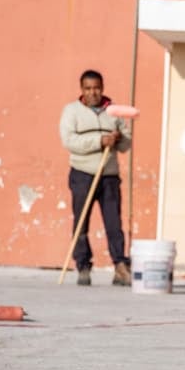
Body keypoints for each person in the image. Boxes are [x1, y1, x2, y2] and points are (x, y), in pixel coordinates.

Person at [59, 69, 132, 286]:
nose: (93, 93)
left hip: (109, 176)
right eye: (88, 88)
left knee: (113, 223)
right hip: (82, 173)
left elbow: (127, 143)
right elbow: (69, 141)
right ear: (82, 89)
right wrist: (100, 142)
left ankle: (120, 265)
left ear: (103, 88)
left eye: (97, 88)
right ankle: (82, 265)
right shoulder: (71, 111)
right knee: (81, 221)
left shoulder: (114, 111)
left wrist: (118, 140)